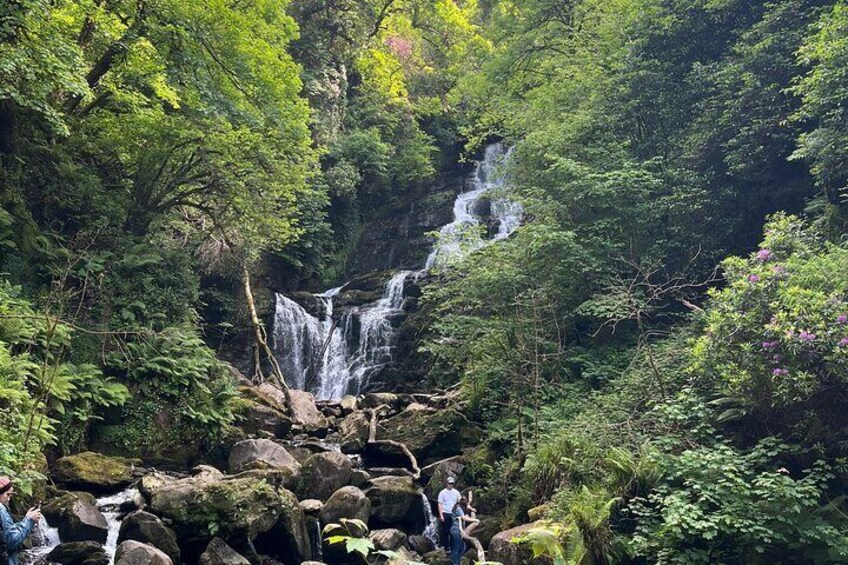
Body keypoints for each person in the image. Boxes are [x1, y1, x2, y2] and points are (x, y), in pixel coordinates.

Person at [0, 477, 42, 565]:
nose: (9, 499)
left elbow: (5, 532)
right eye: (8, 494)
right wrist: (29, 520)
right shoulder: (1, 510)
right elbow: (12, 540)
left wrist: (25, 519)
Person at [449, 497, 479, 565]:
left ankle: (458, 563)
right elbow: (464, 518)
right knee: (456, 548)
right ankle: (455, 563)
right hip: (456, 529)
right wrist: (475, 520)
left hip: (461, 530)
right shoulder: (458, 508)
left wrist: (472, 511)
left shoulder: (462, 510)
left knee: (462, 548)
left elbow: (470, 518)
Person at [437, 476, 461, 550]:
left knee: (454, 531)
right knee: (446, 531)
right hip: (445, 513)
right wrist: (441, 515)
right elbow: (440, 504)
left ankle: (453, 546)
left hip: (453, 513)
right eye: (449, 483)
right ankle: (446, 547)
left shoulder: (456, 492)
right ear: (446, 483)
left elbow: (459, 501)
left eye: (452, 484)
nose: (451, 485)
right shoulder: (442, 493)